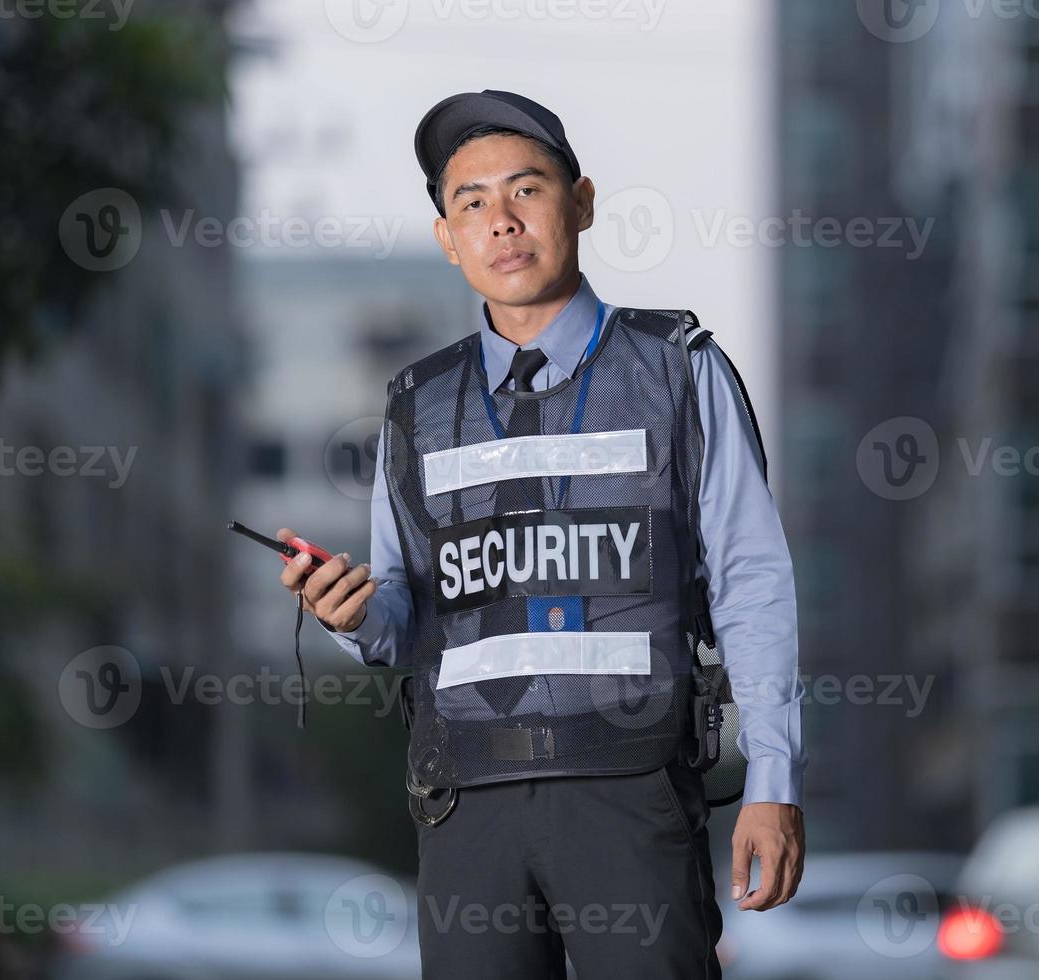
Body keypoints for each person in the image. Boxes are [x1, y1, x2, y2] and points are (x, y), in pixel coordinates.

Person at [275, 89, 805, 978]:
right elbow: (406, 615)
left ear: (582, 202)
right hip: (465, 804)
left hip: (631, 792)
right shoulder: (416, 406)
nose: (501, 221)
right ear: (448, 239)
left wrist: (775, 782)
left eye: (527, 190)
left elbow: (752, 578)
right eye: (471, 203)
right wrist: (351, 615)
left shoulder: (678, 369)